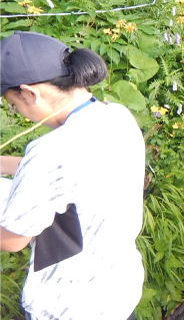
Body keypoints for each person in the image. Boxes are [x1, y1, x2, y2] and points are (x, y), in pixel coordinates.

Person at [0, 31, 145, 320]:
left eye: (14, 105)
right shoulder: (117, 115)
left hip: (68, 306)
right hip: (118, 293)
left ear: (30, 93)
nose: (18, 112)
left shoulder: (49, 151)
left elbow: (12, 240)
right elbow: (75, 168)